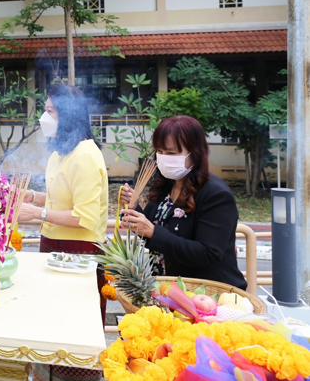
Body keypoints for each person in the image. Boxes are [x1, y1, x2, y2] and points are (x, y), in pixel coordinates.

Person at [18, 84, 108, 381]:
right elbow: (61, 199)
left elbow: (85, 216)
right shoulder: (60, 151)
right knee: (51, 323)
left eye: (49, 111)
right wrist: (33, 197)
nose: (44, 117)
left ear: (67, 116)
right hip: (54, 248)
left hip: (79, 255)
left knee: (75, 331)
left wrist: (38, 214)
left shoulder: (85, 155)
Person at [120, 116, 246, 290]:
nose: (163, 158)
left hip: (205, 294)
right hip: (166, 291)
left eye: (171, 153)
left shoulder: (216, 195)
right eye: (160, 152)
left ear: (195, 153)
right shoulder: (166, 186)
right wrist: (134, 210)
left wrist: (152, 232)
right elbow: (151, 230)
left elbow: (208, 254)